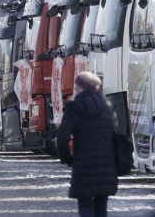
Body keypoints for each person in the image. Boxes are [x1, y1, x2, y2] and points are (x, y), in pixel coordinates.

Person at [57, 71, 118, 217]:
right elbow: (115, 135)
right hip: (105, 165)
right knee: (101, 207)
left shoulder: (73, 108)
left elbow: (62, 138)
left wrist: (68, 159)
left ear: (79, 88)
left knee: (85, 205)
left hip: (83, 165)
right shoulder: (107, 107)